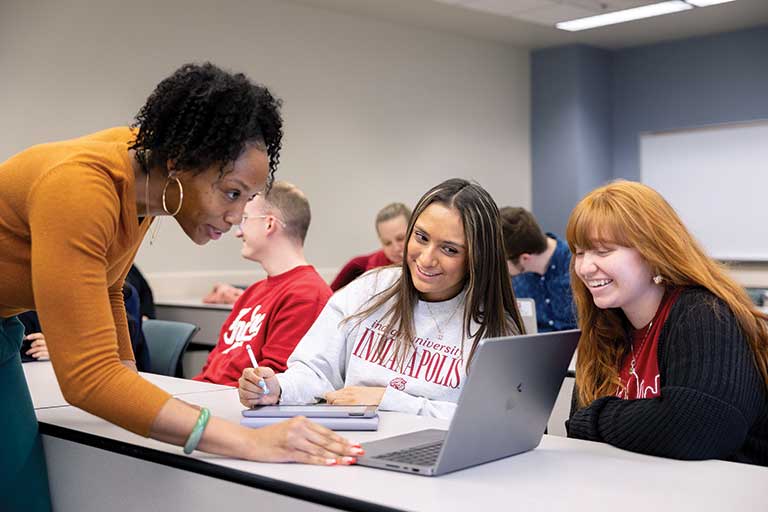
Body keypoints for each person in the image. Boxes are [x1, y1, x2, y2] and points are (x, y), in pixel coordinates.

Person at [0, 63, 358, 511]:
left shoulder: (144, 180)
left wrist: (127, 379)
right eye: (231, 193)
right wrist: (248, 443)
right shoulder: (82, 188)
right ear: (178, 163)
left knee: (22, 493)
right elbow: (87, 378)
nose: (236, 217)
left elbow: (110, 283)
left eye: (247, 200)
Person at [239, 179, 524, 420]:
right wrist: (277, 387)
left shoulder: (495, 329)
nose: (426, 259)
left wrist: (387, 399)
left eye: (449, 249)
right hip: (350, 446)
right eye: (421, 237)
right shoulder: (369, 289)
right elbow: (316, 371)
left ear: (477, 258)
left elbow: (491, 420)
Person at [565, 180, 768, 466]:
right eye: (580, 252)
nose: (585, 267)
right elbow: (579, 427)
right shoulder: (605, 325)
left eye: (603, 251)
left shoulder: (704, 313)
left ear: (653, 250)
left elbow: (702, 427)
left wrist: (598, 418)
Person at [194, 181, 332, 386]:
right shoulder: (252, 293)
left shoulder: (307, 295)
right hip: (211, 400)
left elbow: (270, 385)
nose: (238, 232)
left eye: (245, 219)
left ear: (269, 224)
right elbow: (211, 369)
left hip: (237, 409)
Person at [500, 206, 576, 332]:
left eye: (502, 262)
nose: (500, 268)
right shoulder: (515, 280)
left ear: (525, 258)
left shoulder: (578, 266)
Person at [329, 202, 411, 291]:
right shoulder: (359, 266)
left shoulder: (426, 262)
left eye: (400, 238)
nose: (396, 248)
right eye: (387, 243)